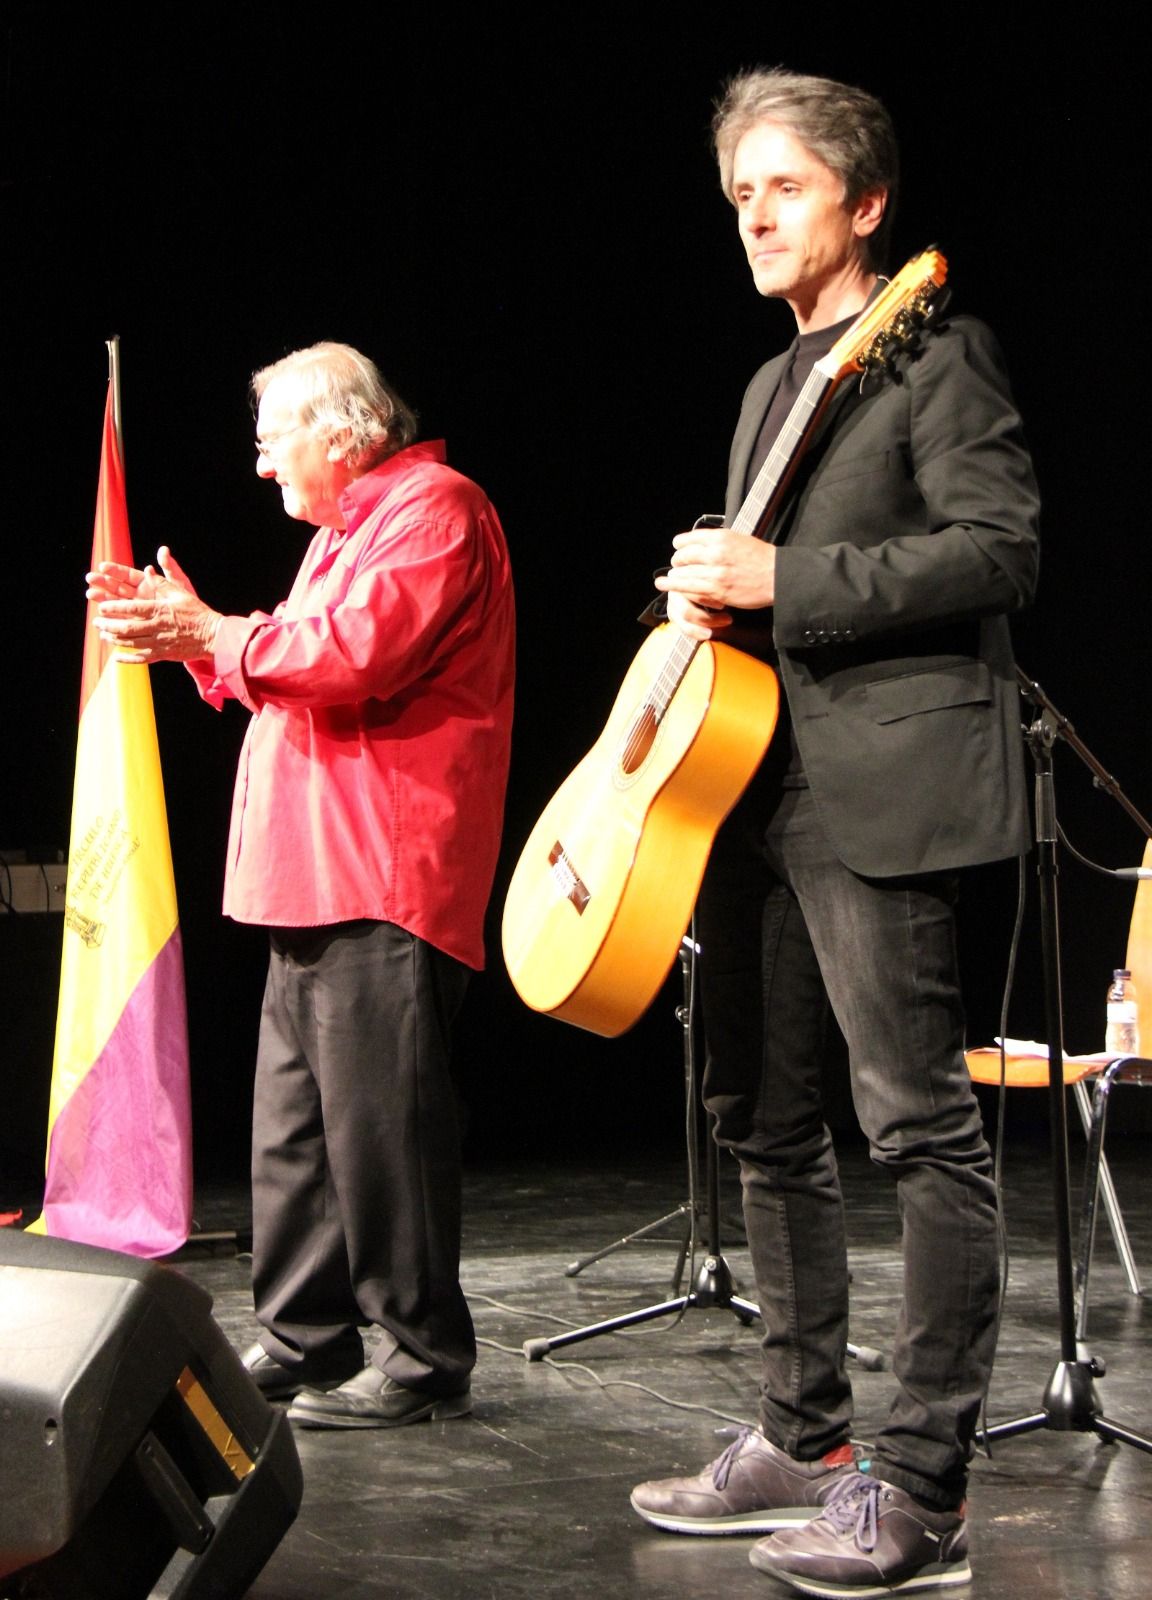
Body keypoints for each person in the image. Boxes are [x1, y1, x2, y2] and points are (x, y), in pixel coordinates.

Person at [628, 70, 1039, 1594]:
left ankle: (922, 1490)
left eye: (785, 188)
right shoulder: (770, 385)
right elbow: (762, 573)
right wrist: (708, 593)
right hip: (750, 783)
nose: (754, 216)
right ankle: (803, 1437)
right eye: (740, 193)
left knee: (919, 1127)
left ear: (866, 205)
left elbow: (1001, 549)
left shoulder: (940, 355)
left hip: (884, 784)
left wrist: (784, 583)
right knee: (759, 1111)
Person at [90, 341, 515, 1429]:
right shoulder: (347, 532)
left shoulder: (435, 507)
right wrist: (194, 642)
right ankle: (303, 1338)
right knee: (296, 1135)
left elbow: (350, 657)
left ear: (346, 434)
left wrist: (214, 632)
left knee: (381, 1133)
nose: (263, 464)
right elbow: (293, 667)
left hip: (381, 870)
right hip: (309, 870)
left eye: (274, 440)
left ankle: (422, 1359)